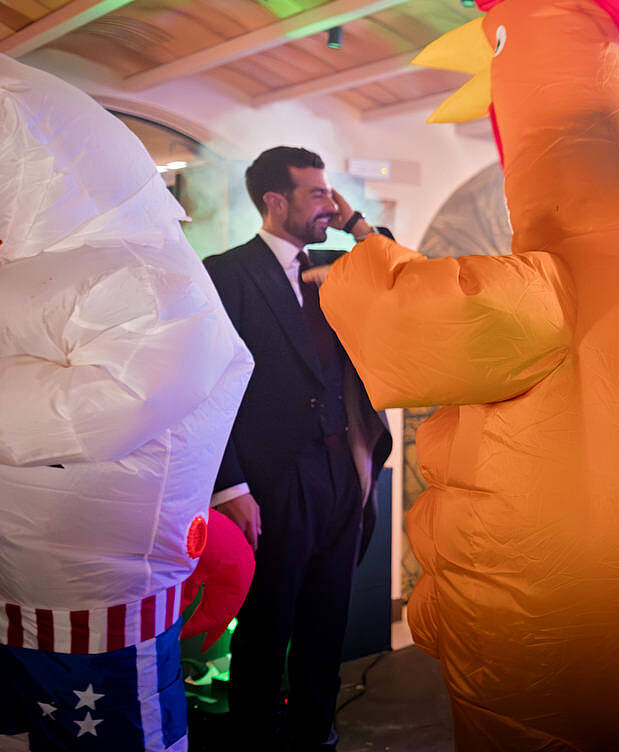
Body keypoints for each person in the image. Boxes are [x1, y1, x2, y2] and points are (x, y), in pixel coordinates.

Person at [0, 55, 253, 750]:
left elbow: (107, 407)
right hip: (20, 586)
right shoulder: (32, 266)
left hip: (102, 600)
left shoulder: (146, 272)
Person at [204, 147, 391, 751]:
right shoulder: (226, 272)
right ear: (273, 201)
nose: (328, 205)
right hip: (273, 477)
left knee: (327, 617)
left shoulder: (340, 262)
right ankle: (256, 739)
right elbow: (205, 382)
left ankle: (317, 734)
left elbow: (403, 271)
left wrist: (355, 224)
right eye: (316, 194)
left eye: (331, 194)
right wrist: (229, 486)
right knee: (266, 624)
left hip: (343, 468)